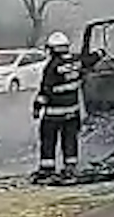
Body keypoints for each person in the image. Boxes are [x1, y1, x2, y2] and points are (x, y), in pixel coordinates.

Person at [33, 31, 85, 181]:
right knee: (70, 140)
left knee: (48, 140)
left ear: (52, 49)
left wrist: (37, 107)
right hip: (73, 111)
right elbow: (88, 61)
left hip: (54, 113)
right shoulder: (76, 61)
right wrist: (99, 54)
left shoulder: (52, 66)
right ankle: (70, 167)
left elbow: (46, 90)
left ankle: (47, 169)